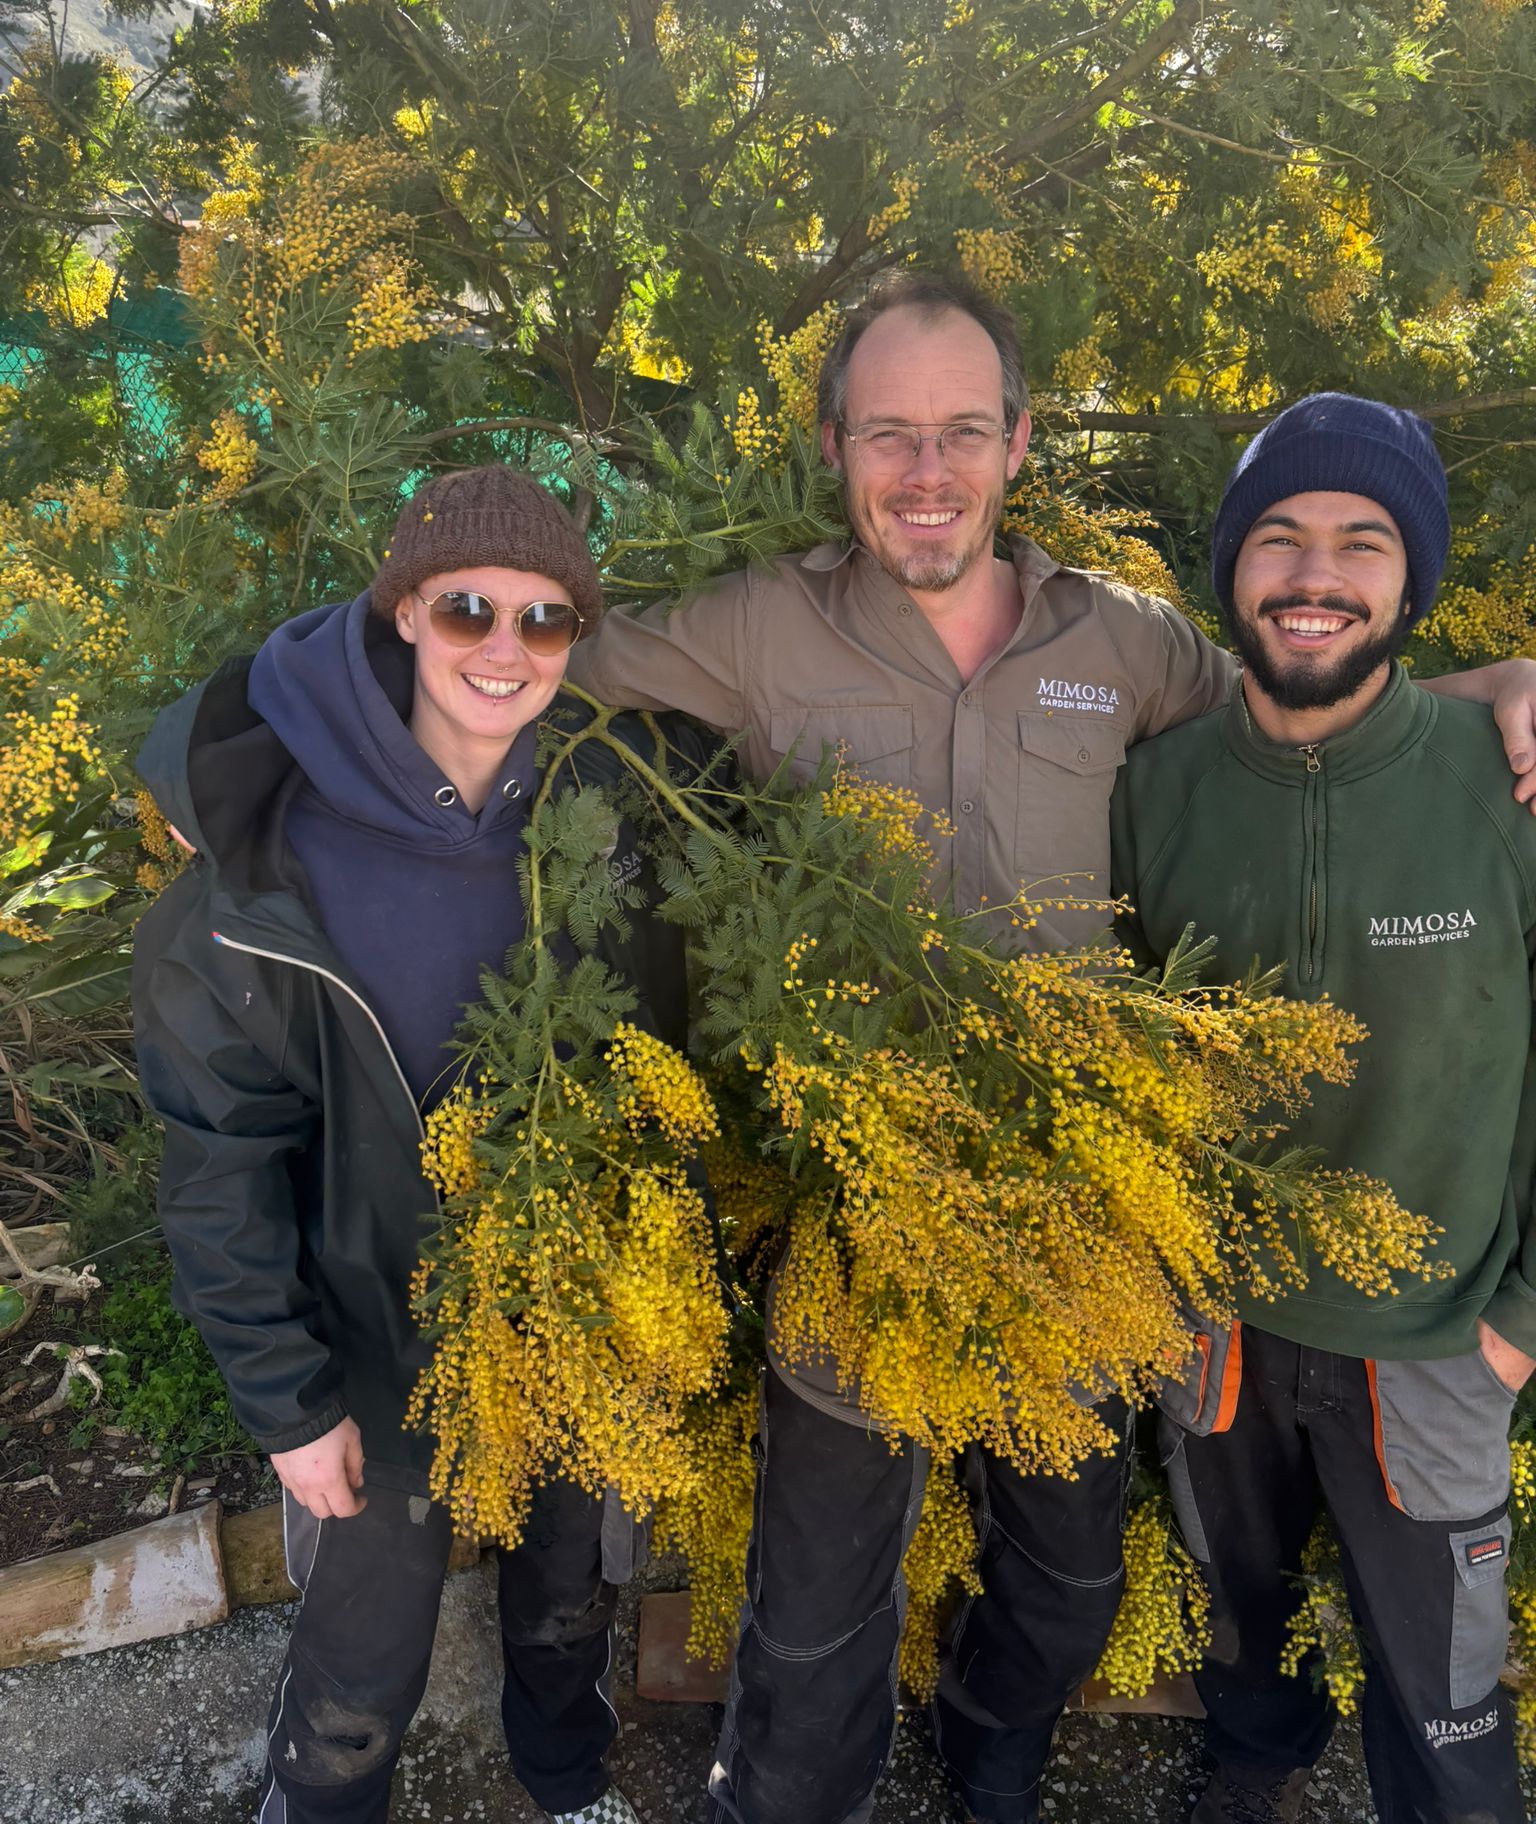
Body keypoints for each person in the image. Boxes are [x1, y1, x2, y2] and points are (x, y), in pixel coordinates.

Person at [565, 273, 1536, 1824]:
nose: (927, 472)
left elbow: (1308, 706)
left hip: (1079, 1233)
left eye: (963, 431)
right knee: (811, 1622)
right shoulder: (750, 628)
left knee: (1073, 1578)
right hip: (854, 1220)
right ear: (835, 444)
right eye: (889, 434)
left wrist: (1491, 695)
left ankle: (991, 1752)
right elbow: (515, 670)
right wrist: (287, 721)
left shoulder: (1128, 645)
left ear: (1019, 444)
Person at [132, 469, 695, 1824]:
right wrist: (288, 1403)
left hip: (564, 1301)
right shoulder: (264, 867)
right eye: (468, 610)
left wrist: (656, 1291)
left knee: (569, 1589)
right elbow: (220, 1167)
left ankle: (566, 1780)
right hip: (367, 1332)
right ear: (401, 612)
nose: (507, 648)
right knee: (360, 1658)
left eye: (546, 619)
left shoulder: (600, 818)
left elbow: (651, 1065)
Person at [1109, 395, 1536, 1824]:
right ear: (1231, 569)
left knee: (1449, 1709)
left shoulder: (1507, 786)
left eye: (1364, 543)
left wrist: (1522, 1322)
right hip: (1216, 1327)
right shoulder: (1152, 792)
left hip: (1437, 1343)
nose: (1316, 574)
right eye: (1279, 536)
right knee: (1242, 1623)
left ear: (1412, 583)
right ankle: (1254, 1767)